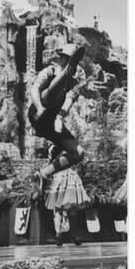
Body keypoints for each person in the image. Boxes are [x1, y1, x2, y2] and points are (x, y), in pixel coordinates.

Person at [28, 43, 87, 191]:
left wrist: (60, 118)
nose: (67, 61)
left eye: (71, 60)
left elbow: (69, 101)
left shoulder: (74, 83)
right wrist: (40, 107)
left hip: (51, 121)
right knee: (52, 93)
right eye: (66, 59)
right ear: (60, 59)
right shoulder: (49, 71)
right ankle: (64, 75)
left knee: (79, 152)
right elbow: (34, 88)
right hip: (38, 111)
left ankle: (42, 174)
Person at [40, 146, 91, 246]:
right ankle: (66, 235)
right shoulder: (68, 146)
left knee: (67, 207)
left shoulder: (54, 148)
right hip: (66, 176)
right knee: (65, 207)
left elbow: (49, 165)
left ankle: (63, 235)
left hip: (63, 176)